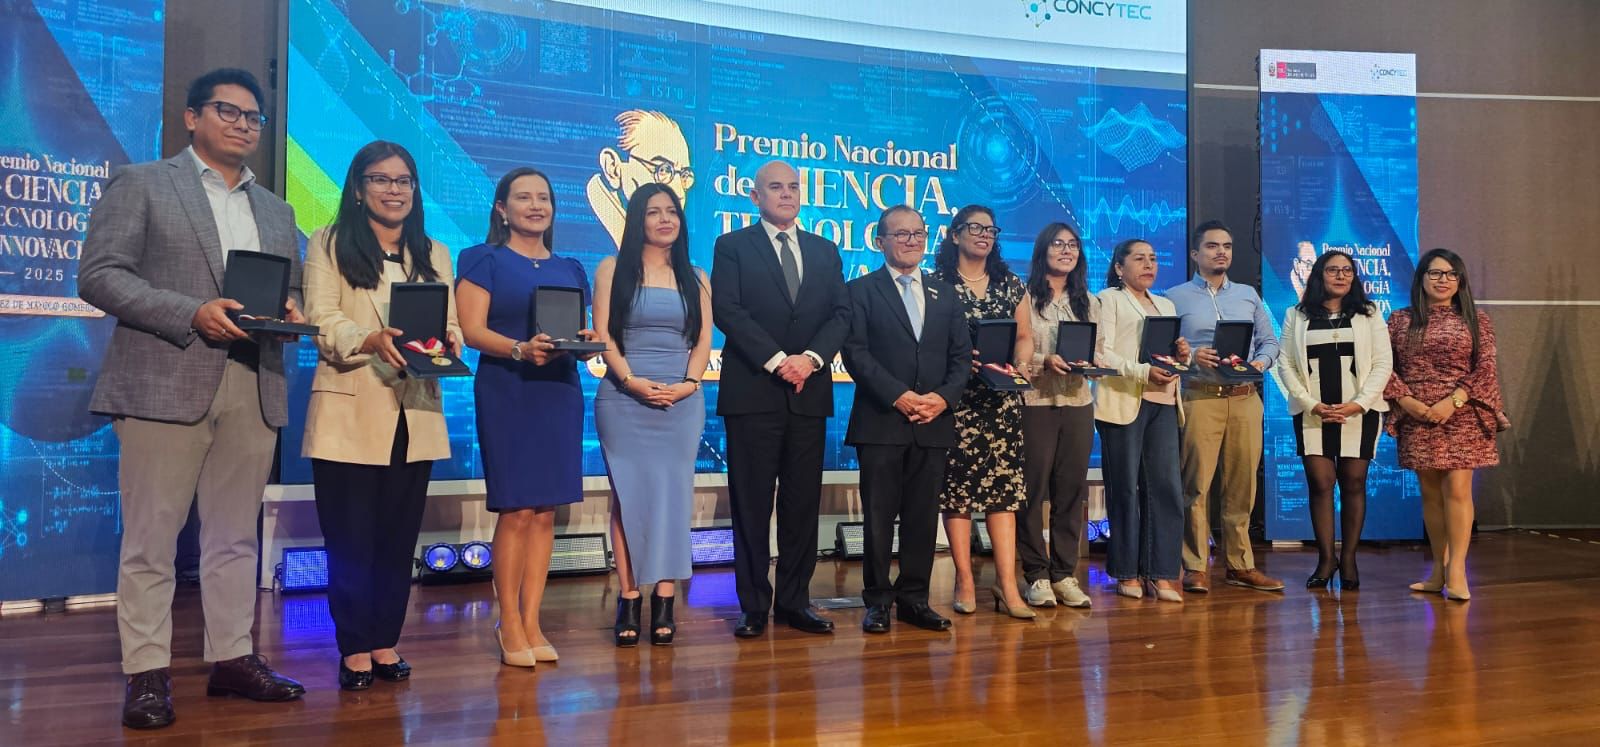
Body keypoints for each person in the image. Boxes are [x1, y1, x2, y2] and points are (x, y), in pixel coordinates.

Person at [78, 68, 306, 730]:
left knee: (235, 536)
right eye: (227, 112)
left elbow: (281, 291)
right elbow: (99, 275)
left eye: (253, 118)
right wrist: (191, 313)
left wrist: (288, 307)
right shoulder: (144, 183)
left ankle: (232, 658)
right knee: (151, 540)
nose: (242, 125)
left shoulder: (277, 210)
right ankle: (146, 673)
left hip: (253, 380)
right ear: (191, 117)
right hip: (164, 377)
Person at [302, 141, 461, 689]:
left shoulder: (435, 253)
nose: (394, 190)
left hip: (414, 413)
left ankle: (386, 640)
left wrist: (447, 346)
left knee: (397, 536)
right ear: (357, 187)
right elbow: (321, 317)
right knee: (350, 538)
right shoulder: (328, 243)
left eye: (404, 181)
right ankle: (353, 648)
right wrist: (366, 338)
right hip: (350, 407)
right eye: (381, 180)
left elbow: (452, 323)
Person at [456, 167, 599, 667]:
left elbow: (582, 332)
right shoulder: (482, 259)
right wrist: (519, 349)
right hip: (508, 389)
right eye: (523, 197)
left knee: (545, 513)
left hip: (559, 390)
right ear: (502, 208)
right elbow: (472, 331)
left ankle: (533, 620)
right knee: (516, 509)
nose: (535, 205)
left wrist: (583, 346)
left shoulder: (571, 268)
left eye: (544, 197)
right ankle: (508, 622)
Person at [710, 161, 849, 638]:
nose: (787, 194)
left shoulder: (825, 250)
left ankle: (795, 601)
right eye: (776, 187)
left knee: (801, 503)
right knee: (750, 504)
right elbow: (727, 309)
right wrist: (776, 359)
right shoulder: (732, 246)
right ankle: (752, 605)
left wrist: (809, 358)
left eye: (793, 187)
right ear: (755, 196)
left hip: (808, 392)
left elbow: (840, 314)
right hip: (754, 391)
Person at [841, 205, 971, 633]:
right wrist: (898, 396)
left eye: (918, 234)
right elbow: (855, 353)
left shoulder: (944, 293)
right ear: (879, 241)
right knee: (879, 518)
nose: (911, 241)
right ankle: (877, 600)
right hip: (881, 421)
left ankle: (914, 598)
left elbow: (960, 359)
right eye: (901, 234)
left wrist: (942, 400)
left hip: (933, 422)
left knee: (921, 517)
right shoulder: (860, 290)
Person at [593, 183, 712, 645]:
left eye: (672, 212)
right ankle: (628, 597)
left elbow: (702, 341)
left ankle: (665, 598)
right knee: (627, 498)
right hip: (624, 397)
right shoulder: (611, 268)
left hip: (682, 402)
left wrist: (688, 384)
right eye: (653, 211)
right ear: (636, 219)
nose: (665, 219)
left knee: (672, 499)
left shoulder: (697, 276)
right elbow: (604, 335)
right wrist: (630, 381)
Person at [1165, 220, 1283, 594]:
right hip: (1200, 396)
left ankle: (1239, 564)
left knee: (1241, 487)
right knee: (1195, 488)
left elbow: (1270, 341)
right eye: (1213, 246)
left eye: (1227, 246)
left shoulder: (1248, 294)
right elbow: (1161, 353)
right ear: (1195, 254)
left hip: (1246, 398)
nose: (1221, 252)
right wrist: (1193, 357)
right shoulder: (1174, 296)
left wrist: (1261, 363)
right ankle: (1195, 565)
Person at [931, 205, 1033, 620]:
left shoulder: (1011, 284)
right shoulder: (936, 283)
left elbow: (1024, 335)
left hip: (1002, 401)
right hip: (955, 401)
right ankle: (964, 577)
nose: (984, 235)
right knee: (957, 494)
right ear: (955, 235)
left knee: (1003, 495)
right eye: (975, 228)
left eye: (990, 229)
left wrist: (1022, 364)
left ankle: (1007, 585)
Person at [1385, 248, 1503, 601]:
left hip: (1462, 412)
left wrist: (1452, 402)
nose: (1443, 280)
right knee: (1431, 494)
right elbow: (1383, 367)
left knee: (1458, 490)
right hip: (1416, 414)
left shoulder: (1476, 320)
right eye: (1435, 273)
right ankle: (1438, 568)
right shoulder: (1399, 319)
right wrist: (1408, 401)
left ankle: (1457, 571)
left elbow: (1486, 368)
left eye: (1452, 274)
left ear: (1461, 281)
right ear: (1421, 279)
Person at [1278, 250, 1392, 590]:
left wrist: (1358, 405)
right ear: (1318, 275)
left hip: (1360, 412)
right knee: (1320, 482)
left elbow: (1383, 364)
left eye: (1347, 271)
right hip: (1314, 413)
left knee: (1354, 482)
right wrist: (1312, 404)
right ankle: (1326, 559)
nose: (1341, 276)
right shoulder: (1296, 315)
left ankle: (1350, 558)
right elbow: (1286, 365)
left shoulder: (1369, 315)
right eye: (1333, 270)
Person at [1095, 239, 1190, 603]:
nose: (1149, 264)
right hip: (1123, 401)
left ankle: (1163, 573)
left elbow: (1169, 357)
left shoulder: (1165, 303)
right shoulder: (1108, 299)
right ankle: (1126, 571)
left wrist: (1183, 355)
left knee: (1166, 487)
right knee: (1125, 488)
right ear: (1120, 268)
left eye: (1153, 257)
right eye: (1139, 258)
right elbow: (1101, 351)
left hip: (1163, 402)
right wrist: (1141, 372)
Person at [1014, 222, 1099, 609]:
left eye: (1072, 245)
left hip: (1078, 403)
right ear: (1043, 251)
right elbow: (1018, 354)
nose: (1066, 250)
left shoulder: (1089, 301)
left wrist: (1094, 363)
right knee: (1032, 493)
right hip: (1036, 402)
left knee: (1070, 491)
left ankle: (1064, 573)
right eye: (1058, 244)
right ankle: (1036, 574)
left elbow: (1099, 350)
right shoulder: (1026, 296)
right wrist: (1042, 360)